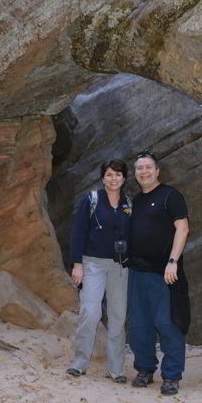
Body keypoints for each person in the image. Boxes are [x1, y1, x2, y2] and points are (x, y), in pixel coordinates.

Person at [127, 151, 190, 395]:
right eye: (139, 168)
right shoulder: (137, 200)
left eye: (147, 167)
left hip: (165, 272)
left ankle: (172, 376)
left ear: (157, 171)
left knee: (168, 322)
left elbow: (182, 228)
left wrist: (173, 261)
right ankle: (144, 369)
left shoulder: (170, 196)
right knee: (139, 324)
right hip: (137, 271)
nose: (143, 172)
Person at [66, 159, 132, 383]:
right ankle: (79, 362)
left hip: (120, 267)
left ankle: (115, 369)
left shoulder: (129, 203)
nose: (114, 179)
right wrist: (77, 264)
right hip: (93, 264)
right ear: (103, 178)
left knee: (117, 317)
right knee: (90, 312)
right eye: (110, 175)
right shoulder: (91, 200)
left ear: (124, 178)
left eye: (118, 175)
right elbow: (78, 232)